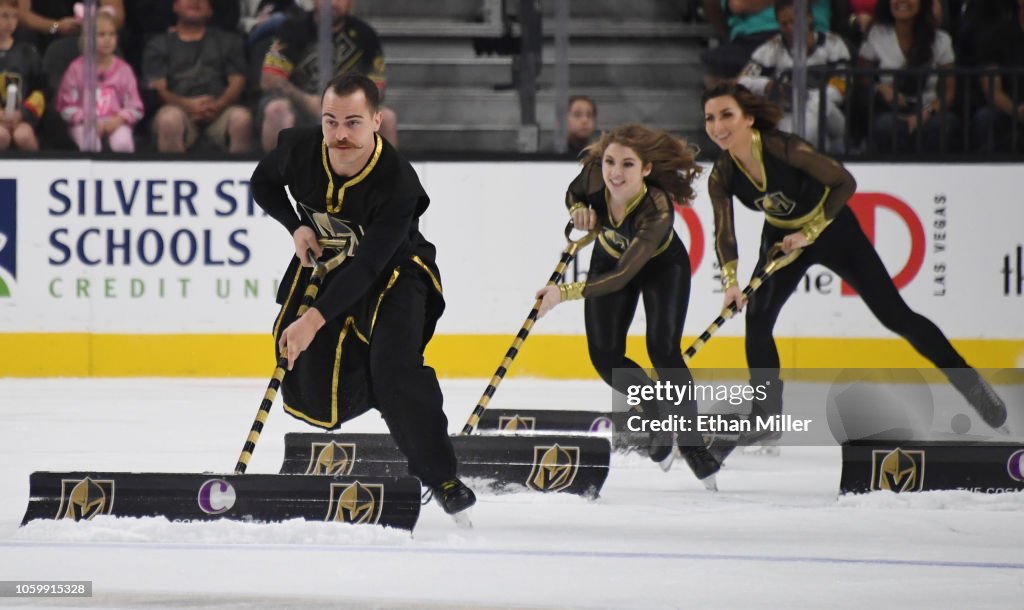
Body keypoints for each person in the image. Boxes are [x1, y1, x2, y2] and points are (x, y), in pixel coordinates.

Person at [701, 82, 1008, 447]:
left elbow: (844, 182)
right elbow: (725, 232)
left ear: (748, 118)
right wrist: (731, 282)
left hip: (833, 230)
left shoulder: (783, 147)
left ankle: (971, 385)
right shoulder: (722, 174)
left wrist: (810, 231)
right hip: (781, 243)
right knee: (757, 320)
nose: (718, 125)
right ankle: (765, 418)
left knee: (896, 316)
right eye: (709, 118)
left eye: (726, 115)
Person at [249, 73, 475, 517]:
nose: (339, 135)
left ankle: (442, 476)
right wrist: (296, 227)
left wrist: (314, 320)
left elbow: (370, 266)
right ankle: (378, 388)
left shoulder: (398, 184)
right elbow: (263, 184)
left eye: (353, 122)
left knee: (395, 369)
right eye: (330, 121)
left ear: (376, 121)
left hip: (396, 274)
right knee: (312, 377)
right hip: (330, 262)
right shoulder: (300, 148)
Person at [535, 123, 722, 488]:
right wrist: (579, 211)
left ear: (646, 169)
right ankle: (653, 413)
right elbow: (573, 194)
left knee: (662, 350)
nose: (615, 174)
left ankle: (692, 444)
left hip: (661, 268)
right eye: (609, 162)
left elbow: (623, 276)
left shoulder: (657, 209)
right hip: (609, 258)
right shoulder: (593, 176)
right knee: (605, 358)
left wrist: (563, 293)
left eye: (627, 165)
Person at [258, 0, 397, 152]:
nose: (333, 3)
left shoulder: (365, 34)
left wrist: (350, 104)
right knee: (277, 110)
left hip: (351, 108)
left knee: (387, 118)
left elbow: (378, 87)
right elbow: (269, 79)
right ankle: (276, 172)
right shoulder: (292, 30)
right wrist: (307, 101)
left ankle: (386, 174)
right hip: (300, 106)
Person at [739, 0, 850, 153]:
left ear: (809, 17)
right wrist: (770, 85)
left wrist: (804, 96)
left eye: (795, 21)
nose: (790, 28)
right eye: (784, 24)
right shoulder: (773, 46)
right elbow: (743, 81)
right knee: (784, 129)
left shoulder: (832, 43)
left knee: (817, 106)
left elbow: (841, 87)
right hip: (789, 113)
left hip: (830, 114)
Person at [142, 0, 253, 153]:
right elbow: (159, 90)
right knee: (169, 119)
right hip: (177, 111)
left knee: (242, 118)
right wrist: (188, 105)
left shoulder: (230, 41)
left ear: (210, 10)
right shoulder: (158, 44)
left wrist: (218, 105)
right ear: (175, 6)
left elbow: (238, 80)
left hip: (220, 111)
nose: (195, 1)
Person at [858, 0, 960, 153]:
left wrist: (927, 112)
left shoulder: (941, 40)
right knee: (885, 126)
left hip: (929, 111)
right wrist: (881, 88)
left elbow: (949, 92)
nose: (902, 2)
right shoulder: (877, 34)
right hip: (891, 111)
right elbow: (862, 77)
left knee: (945, 124)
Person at [55, 9, 142, 152]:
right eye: (101, 35)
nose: (108, 39)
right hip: (83, 122)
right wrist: (87, 120)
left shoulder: (124, 69)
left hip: (115, 121)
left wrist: (118, 120)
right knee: (91, 144)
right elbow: (65, 106)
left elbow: (135, 106)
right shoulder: (76, 69)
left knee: (123, 144)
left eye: (112, 34)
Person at [0, 0, 43, 151]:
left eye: (14, 17)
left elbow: (41, 90)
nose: (9, 22)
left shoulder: (27, 52)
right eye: (4, 16)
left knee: (23, 135)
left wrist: (22, 114)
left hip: (19, 117)